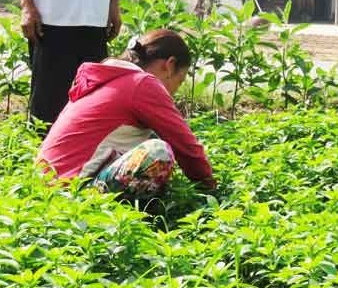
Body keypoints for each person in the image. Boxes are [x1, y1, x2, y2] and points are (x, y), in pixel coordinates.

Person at [37, 29, 216, 199]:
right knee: (158, 152)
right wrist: (211, 190)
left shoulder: (111, 78)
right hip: (70, 191)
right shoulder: (143, 84)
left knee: (151, 136)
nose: (175, 90)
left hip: (43, 185)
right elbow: (186, 147)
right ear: (169, 66)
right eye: (180, 80)